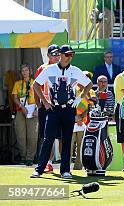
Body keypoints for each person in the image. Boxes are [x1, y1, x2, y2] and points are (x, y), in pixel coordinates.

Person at [31, 45, 92, 178]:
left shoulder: (75, 70)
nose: (69, 57)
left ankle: (65, 170)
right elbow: (36, 84)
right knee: (48, 139)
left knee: (66, 140)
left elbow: (88, 84)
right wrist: (45, 102)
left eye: (71, 55)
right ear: (60, 55)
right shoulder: (50, 69)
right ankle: (39, 168)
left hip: (69, 109)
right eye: (67, 54)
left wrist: (80, 97)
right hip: (53, 109)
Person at [33, 45, 61, 172]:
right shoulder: (42, 68)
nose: (57, 57)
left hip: (61, 106)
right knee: (46, 136)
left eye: (58, 54)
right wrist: (39, 104)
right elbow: (36, 86)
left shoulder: (64, 68)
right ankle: (48, 163)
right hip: (46, 106)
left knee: (61, 136)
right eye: (54, 54)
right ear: (48, 55)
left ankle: (64, 163)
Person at [12, 64, 37, 165]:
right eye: (23, 71)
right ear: (21, 73)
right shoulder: (18, 83)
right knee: (21, 135)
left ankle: (30, 158)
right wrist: (22, 107)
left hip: (32, 110)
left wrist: (36, 109)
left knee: (32, 135)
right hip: (20, 110)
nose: (25, 72)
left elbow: (39, 97)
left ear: (30, 72)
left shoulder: (34, 83)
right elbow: (15, 98)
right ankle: (23, 156)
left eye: (26, 70)